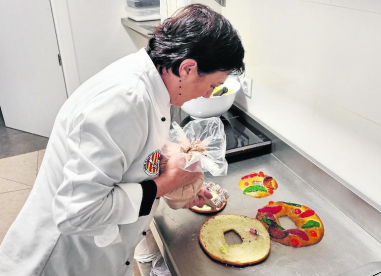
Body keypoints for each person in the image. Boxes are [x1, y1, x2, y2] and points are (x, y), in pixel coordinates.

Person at [0, 4, 244, 276]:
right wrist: (165, 184)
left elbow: (128, 153)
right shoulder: (125, 100)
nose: (209, 95)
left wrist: (169, 172)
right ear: (188, 68)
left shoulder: (155, 82)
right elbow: (76, 212)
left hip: (103, 256)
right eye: (211, 85)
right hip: (61, 261)